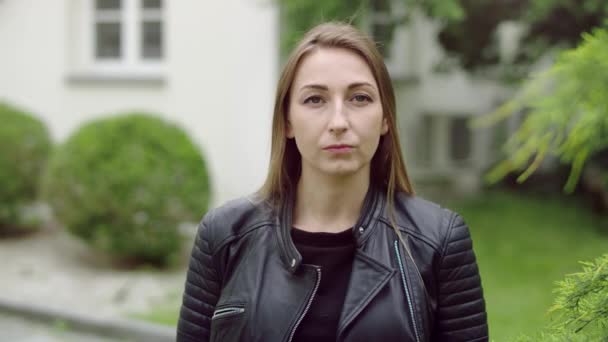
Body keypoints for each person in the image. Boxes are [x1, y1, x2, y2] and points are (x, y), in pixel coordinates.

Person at [176, 22, 488, 342]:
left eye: (359, 98)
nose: (338, 122)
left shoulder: (439, 241)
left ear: (385, 119)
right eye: (315, 100)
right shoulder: (224, 236)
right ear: (287, 121)